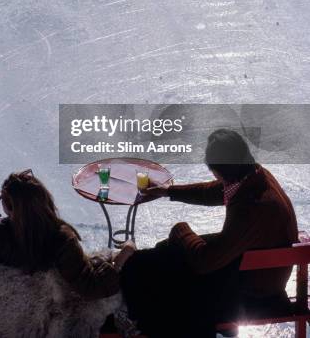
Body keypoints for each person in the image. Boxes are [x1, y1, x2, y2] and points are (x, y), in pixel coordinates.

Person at [119, 130, 298, 337]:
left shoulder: (254, 207)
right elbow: (216, 191)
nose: (214, 176)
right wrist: (169, 191)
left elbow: (205, 262)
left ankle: (142, 318)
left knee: (171, 271)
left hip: (254, 291)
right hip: (253, 269)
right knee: (167, 254)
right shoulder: (254, 176)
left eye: (215, 172)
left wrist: (180, 230)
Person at [0, 170, 133, 300]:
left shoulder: (2, 238)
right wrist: (124, 253)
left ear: (9, 210)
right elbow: (92, 288)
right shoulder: (62, 239)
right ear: (45, 199)